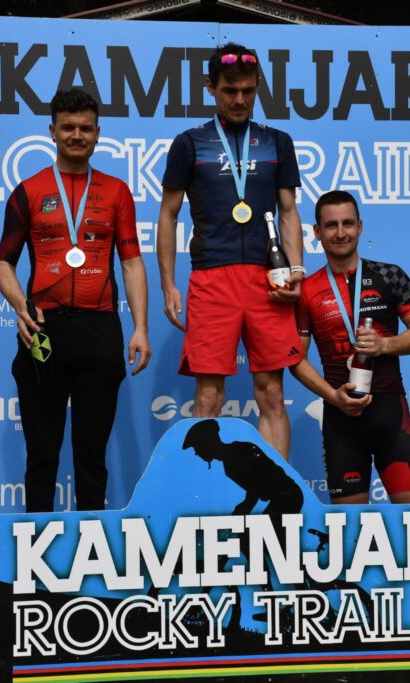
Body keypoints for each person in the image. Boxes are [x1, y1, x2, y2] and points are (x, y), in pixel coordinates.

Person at [0, 88, 150, 513]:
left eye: (85, 128)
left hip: (99, 329)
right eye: (68, 128)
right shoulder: (28, 191)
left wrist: (140, 327)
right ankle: (36, 549)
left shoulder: (117, 192)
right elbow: (3, 264)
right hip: (43, 330)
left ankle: (91, 550)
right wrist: (21, 307)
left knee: (92, 455)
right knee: (41, 454)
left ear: (98, 133)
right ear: (52, 131)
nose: (76, 135)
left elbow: (132, 264)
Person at [158, 43, 304, 460]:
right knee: (208, 396)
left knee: (271, 392)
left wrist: (296, 270)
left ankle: (277, 494)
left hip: (267, 278)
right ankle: (201, 491)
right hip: (211, 278)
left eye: (247, 90)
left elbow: (289, 211)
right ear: (211, 87)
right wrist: (168, 284)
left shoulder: (277, 142)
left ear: (257, 86)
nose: (239, 99)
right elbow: (168, 215)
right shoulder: (190, 143)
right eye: (229, 91)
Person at [291, 190, 410, 504]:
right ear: (317, 232)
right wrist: (333, 397)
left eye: (348, 223)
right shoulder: (307, 291)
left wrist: (385, 344)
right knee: (349, 529)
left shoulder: (390, 275)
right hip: (340, 420)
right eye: (331, 225)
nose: (341, 233)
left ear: (360, 226)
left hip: (391, 415)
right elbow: (295, 359)